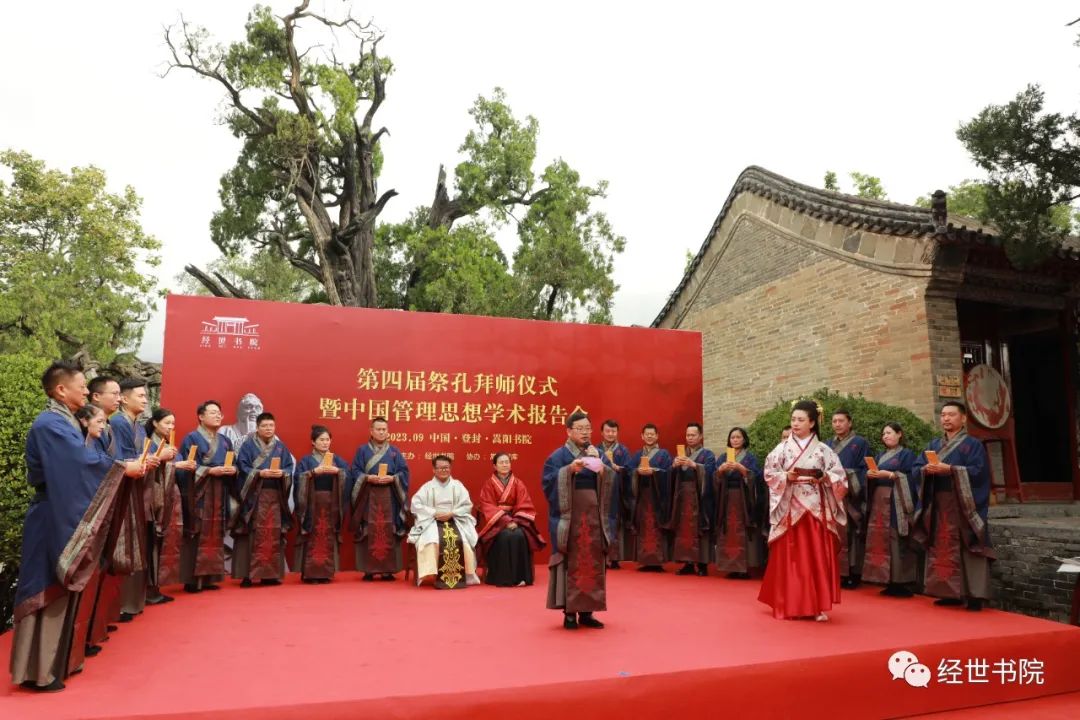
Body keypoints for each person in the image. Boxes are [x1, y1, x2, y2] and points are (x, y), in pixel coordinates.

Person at [9, 362, 138, 692]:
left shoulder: (66, 421)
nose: (85, 390)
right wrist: (123, 468)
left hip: (63, 507)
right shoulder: (51, 423)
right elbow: (79, 464)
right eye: (80, 386)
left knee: (60, 586)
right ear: (60, 390)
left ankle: (54, 664)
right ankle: (37, 671)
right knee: (48, 583)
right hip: (54, 513)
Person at [758, 400, 847, 621]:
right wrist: (785, 476)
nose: (795, 424)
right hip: (791, 505)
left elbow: (840, 477)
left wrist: (826, 477)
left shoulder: (824, 450)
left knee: (815, 555)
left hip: (816, 507)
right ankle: (787, 603)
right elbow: (769, 472)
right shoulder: (782, 449)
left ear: (812, 423)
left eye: (800, 420)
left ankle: (817, 605)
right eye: (793, 419)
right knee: (791, 556)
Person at [911, 402, 994, 611]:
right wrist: (926, 470)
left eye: (951, 415)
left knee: (968, 545)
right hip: (938, 504)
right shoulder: (933, 445)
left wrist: (951, 469)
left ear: (963, 418)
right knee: (942, 546)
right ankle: (947, 591)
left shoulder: (972, 445)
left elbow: (979, 473)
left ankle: (974, 594)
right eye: (943, 415)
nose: (946, 419)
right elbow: (916, 468)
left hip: (964, 504)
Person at [542, 412, 618, 630]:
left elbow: (613, 481)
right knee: (570, 562)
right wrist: (569, 471)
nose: (585, 433)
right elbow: (547, 483)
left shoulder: (598, 453)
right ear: (568, 431)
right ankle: (569, 613)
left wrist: (604, 469)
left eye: (588, 428)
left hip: (594, 517)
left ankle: (588, 612)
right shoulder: (558, 457)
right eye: (580, 428)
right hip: (571, 518)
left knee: (592, 562)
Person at [176, 401, 237, 593]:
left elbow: (234, 464)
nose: (218, 416)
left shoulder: (225, 441)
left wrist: (232, 469)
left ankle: (210, 577)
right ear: (201, 416)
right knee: (198, 533)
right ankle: (192, 580)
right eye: (213, 413)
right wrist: (210, 471)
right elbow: (187, 467)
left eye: (219, 413)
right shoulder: (191, 439)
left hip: (219, 492)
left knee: (215, 533)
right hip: (200, 493)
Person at [112, 377, 160, 622]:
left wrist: (151, 459)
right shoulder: (118, 423)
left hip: (138, 491)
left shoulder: (138, 425)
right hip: (124, 491)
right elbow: (121, 459)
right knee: (124, 547)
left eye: (145, 396)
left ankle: (132, 602)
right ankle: (120, 605)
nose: (144, 400)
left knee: (137, 544)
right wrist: (144, 460)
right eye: (140, 396)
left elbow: (146, 454)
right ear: (124, 398)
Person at [233, 412, 294, 587]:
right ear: (257, 428)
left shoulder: (281, 447)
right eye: (265, 426)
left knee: (272, 534)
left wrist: (283, 473)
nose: (268, 429)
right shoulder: (247, 446)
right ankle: (248, 575)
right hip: (254, 496)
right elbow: (242, 467)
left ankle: (270, 574)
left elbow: (289, 468)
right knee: (252, 533)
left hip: (275, 496)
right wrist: (259, 473)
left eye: (271, 426)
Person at [348, 417, 409, 581]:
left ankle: (388, 570)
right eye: (378, 429)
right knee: (369, 529)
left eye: (384, 429)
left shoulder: (394, 451)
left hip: (390, 496)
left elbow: (404, 472)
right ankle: (368, 569)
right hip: (369, 496)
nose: (382, 432)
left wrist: (393, 479)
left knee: (389, 530)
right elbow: (355, 471)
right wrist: (367, 478)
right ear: (371, 431)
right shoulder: (362, 451)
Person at [863, 423, 919, 597]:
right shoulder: (880, 455)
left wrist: (892, 475)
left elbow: (913, 476)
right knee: (881, 538)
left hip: (897, 500)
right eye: (883, 434)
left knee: (897, 538)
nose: (885, 436)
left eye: (889, 433)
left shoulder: (907, 454)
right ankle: (886, 579)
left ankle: (902, 581)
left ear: (899, 434)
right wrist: (870, 476)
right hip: (879, 502)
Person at [408, 455, 481, 588]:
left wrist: (452, 513)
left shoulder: (458, 486)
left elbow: (467, 505)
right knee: (431, 541)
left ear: (450, 468)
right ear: (434, 470)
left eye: (446, 467)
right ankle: (430, 574)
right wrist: (434, 513)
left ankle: (465, 575)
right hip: (431, 521)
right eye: (440, 468)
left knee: (463, 542)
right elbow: (415, 505)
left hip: (455, 519)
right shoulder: (427, 487)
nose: (444, 470)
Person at [476, 452, 546, 587]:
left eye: (507, 462)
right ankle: (502, 577)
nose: (504, 465)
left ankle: (521, 577)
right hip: (496, 521)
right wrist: (505, 521)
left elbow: (524, 504)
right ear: (495, 466)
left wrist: (515, 521)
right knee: (504, 536)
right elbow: (487, 505)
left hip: (516, 519)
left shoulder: (518, 483)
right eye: (501, 462)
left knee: (520, 535)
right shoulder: (489, 484)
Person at [293, 425, 348, 583]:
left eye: (327, 440)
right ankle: (310, 574)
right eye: (321, 440)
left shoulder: (337, 460)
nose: (325, 443)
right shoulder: (306, 460)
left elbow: (348, 475)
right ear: (313, 442)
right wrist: (312, 473)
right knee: (312, 536)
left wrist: (339, 472)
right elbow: (299, 478)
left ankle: (325, 573)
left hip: (331, 504)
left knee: (327, 535)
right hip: (312, 504)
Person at [144, 409, 189, 598]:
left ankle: (156, 587)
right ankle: (148, 589)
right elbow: (148, 466)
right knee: (153, 539)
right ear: (155, 423)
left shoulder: (167, 443)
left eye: (173, 424)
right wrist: (175, 465)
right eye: (167, 423)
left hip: (170, 494)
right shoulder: (149, 442)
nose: (171, 427)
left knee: (167, 539)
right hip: (155, 496)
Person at [715, 427, 767, 579]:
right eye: (733, 438)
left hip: (743, 499)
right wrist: (720, 471)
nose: (735, 440)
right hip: (726, 498)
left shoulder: (750, 457)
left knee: (743, 530)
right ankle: (731, 566)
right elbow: (715, 477)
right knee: (729, 531)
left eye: (738, 437)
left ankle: (744, 567)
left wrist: (742, 469)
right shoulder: (724, 457)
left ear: (744, 440)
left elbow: (756, 477)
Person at [827, 410, 871, 589]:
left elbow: (864, 468)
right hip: (830, 495)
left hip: (849, 495)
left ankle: (852, 573)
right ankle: (833, 571)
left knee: (850, 533)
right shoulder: (827, 444)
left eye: (841, 421)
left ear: (850, 423)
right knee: (832, 533)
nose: (837, 424)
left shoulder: (860, 443)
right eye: (834, 421)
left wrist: (846, 476)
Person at [670, 423, 717, 576]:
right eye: (688, 435)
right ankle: (687, 562)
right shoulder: (681, 453)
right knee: (684, 529)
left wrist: (695, 465)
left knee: (699, 527)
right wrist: (674, 466)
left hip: (700, 496)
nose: (690, 438)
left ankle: (702, 564)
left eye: (693, 435)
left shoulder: (707, 454)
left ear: (700, 436)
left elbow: (711, 473)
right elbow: (672, 477)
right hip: (683, 496)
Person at [627, 424, 672, 572]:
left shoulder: (664, 454)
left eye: (652, 434)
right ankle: (645, 560)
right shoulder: (638, 454)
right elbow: (629, 472)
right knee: (644, 526)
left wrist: (655, 472)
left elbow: (669, 473)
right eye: (647, 434)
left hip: (658, 496)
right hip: (643, 496)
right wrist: (637, 472)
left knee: (656, 527)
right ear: (642, 436)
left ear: (657, 436)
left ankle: (657, 561)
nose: (650, 436)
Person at [598, 419, 631, 569]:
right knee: (599, 522)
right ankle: (600, 556)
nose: (610, 434)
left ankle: (615, 557)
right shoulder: (596, 449)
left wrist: (618, 468)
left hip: (616, 491)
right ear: (602, 432)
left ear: (617, 432)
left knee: (615, 523)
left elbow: (629, 471)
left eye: (613, 431)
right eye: (608, 431)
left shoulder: (622, 451)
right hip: (599, 491)